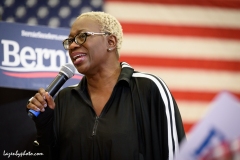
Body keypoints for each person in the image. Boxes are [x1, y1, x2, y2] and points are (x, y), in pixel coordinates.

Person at [27, 11, 185, 160]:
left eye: (82, 36)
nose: (73, 46)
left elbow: (177, 154)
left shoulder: (148, 88)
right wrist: (45, 126)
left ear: (111, 42)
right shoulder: (64, 99)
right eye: (70, 41)